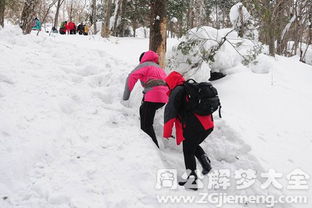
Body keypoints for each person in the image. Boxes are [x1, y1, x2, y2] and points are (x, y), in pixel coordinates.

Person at [163, 71, 213, 190]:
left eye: (167, 83)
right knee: (193, 144)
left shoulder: (177, 91)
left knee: (188, 150)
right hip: (208, 125)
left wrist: (167, 133)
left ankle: (193, 181)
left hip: (195, 126)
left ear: (171, 82)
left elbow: (169, 114)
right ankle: (206, 164)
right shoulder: (191, 88)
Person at [123, 51, 169, 148]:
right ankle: (149, 145)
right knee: (143, 110)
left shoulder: (145, 65)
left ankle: (153, 149)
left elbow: (131, 77)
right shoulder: (158, 68)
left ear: (142, 59)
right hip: (164, 98)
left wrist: (125, 99)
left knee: (146, 125)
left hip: (153, 97)